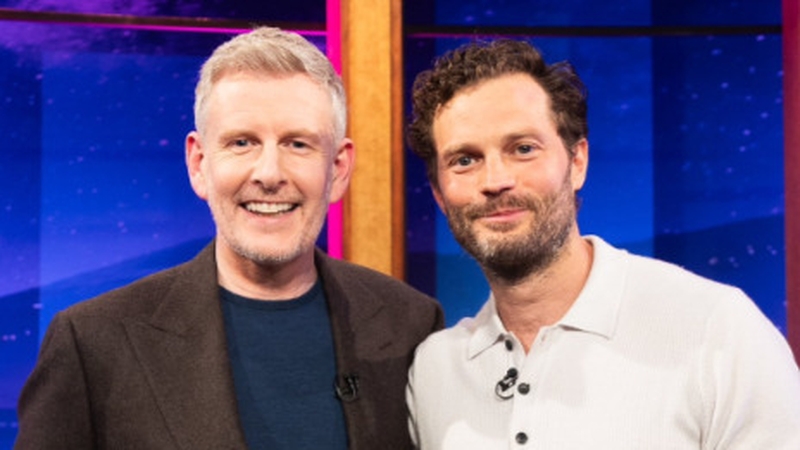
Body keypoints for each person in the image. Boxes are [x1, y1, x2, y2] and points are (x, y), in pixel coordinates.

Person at [15, 27, 443, 450]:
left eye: (297, 144)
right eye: (242, 143)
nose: (270, 174)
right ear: (199, 163)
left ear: (338, 169)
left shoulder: (411, 326)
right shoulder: (92, 342)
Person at [405, 39, 800, 449]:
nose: (494, 181)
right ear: (439, 193)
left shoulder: (716, 329)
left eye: (523, 149)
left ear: (577, 162)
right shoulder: (435, 370)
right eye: (464, 160)